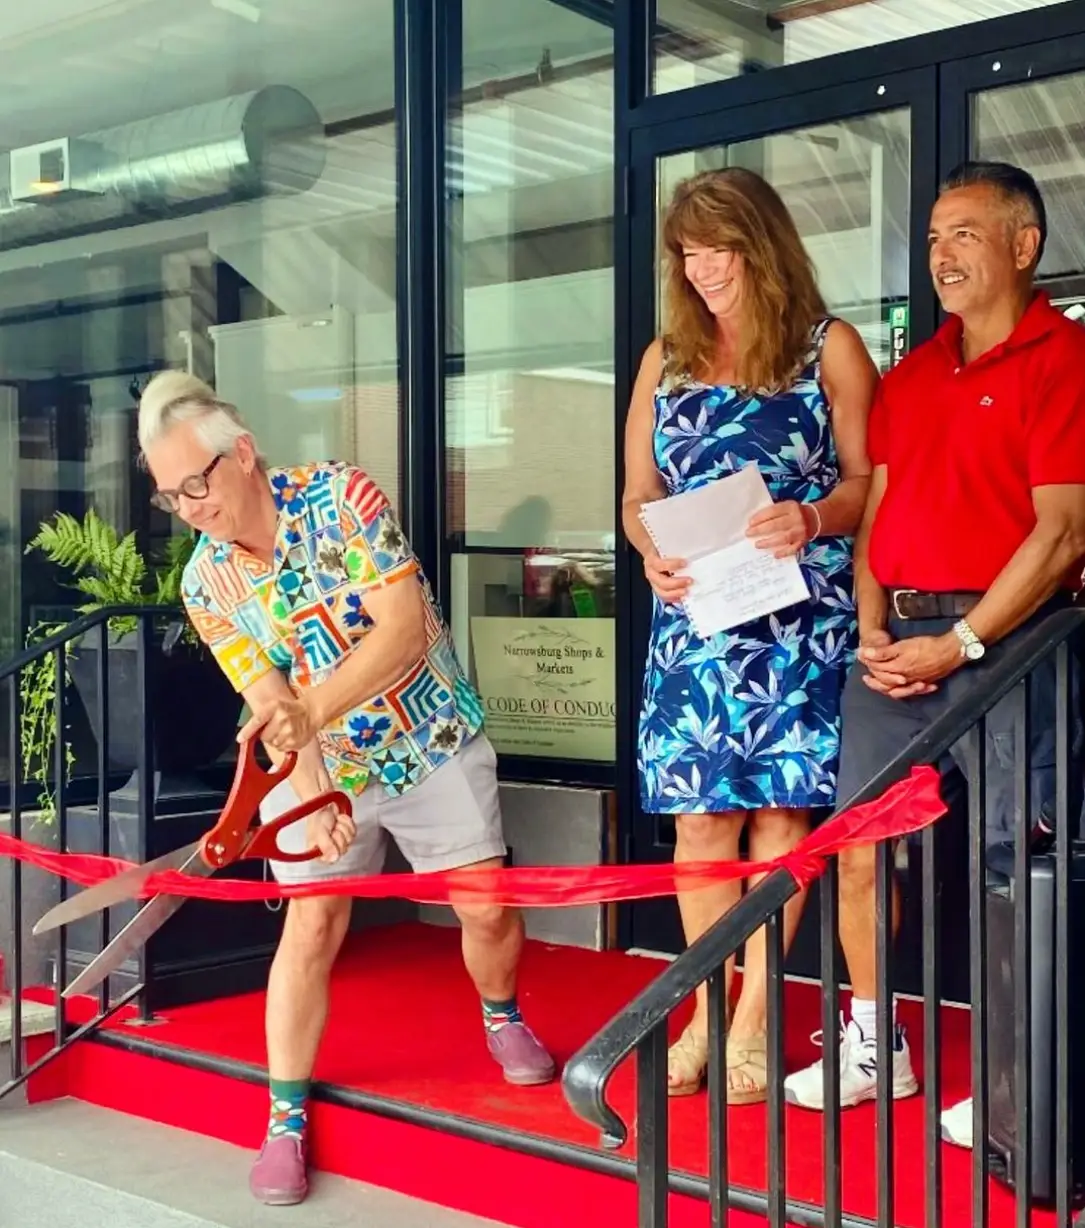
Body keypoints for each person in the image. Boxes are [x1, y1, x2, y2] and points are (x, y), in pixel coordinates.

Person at [137, 371, 556, 1206]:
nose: (188, 508)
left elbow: (402, 632)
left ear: (242, 455)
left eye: (196, 484)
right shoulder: (203, 583)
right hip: (320, 762)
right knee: (312, 918)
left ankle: (502, 1014)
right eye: (167, 496)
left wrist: (308, 715)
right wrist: (315, 782)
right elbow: (267, 694)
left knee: (483, 904)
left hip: (429, 736)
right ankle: (284, 1116)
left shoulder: (341, 496)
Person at [782, 161, 1085, 1126]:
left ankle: (1012, 1082)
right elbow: (877, 504)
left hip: (1012, 643)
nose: (941, 254)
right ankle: (877, 1044)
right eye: (931, 237)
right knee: (858, 848)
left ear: (1022, 245)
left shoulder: (1064, 358)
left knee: (1013, 862)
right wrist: (870, 622)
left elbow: (1063, 532)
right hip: (897, 646)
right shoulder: (911, 375)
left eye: (962, 233)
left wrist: (957, 641)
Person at [621, 167, 878, 1103]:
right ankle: (705, 1011)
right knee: (700, 824)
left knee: (779, 823)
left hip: (794, 622)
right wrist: (646, 549)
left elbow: (868, 486)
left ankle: (755, 1024)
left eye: (719, 249)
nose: (702, 270)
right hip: (694, 623)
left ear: (760, 248)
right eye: (687, 253)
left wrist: (810, 518)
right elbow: (637, 493)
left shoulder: (828, 348)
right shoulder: (665, 358)